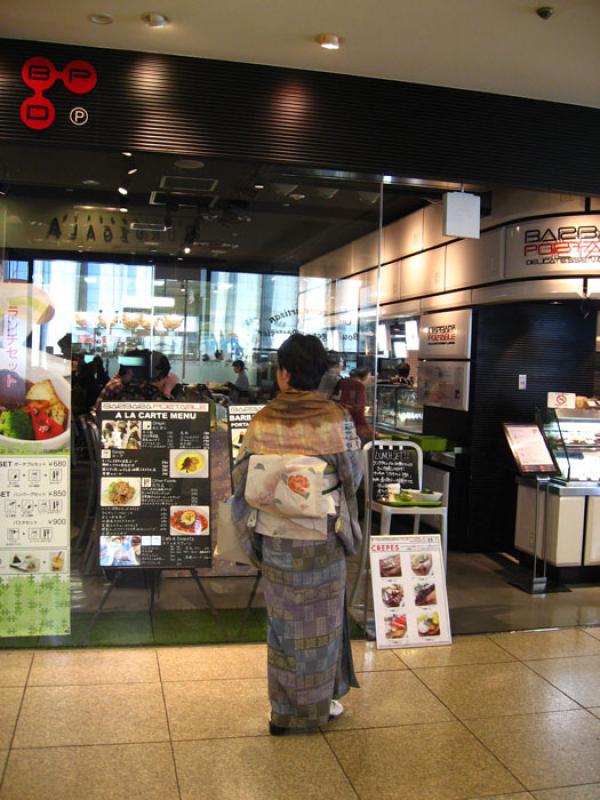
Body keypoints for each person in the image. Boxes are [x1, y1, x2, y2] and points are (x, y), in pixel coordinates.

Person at [231, 333, 363, 735]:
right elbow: (353, 474)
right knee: (322, 623)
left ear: (284, 373)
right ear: (320, 372)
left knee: (284, 625)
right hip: (322, 538)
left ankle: (284, 712)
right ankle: (321, 702)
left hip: (278, 542)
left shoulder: (264, 418)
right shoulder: (334, 417)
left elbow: (242, 477)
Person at [338, 366, 375, 445]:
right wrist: (370, 431)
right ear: (365, 376)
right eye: (369, 375)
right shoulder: (359, 386)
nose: (371, 378)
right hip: (354, 426)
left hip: (341, 422)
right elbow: (359, 412)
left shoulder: (344, 382)